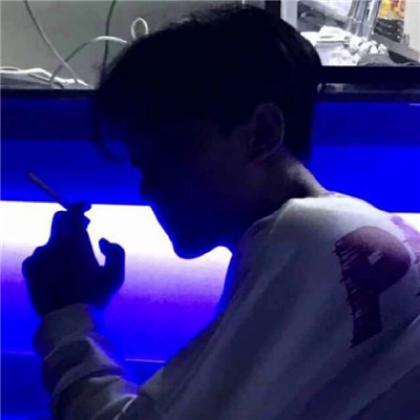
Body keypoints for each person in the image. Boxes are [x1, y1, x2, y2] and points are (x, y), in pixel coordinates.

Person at [22, 5, 420, 420]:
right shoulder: (359, 231)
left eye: (168, 153)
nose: (148, 187)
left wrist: (66, 314)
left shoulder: (306, 236)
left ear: (262, 134)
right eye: (141, 164)